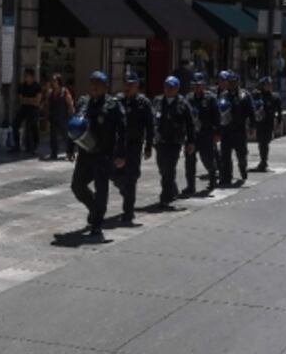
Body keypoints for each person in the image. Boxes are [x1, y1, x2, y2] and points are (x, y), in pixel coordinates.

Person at [69, 71, 126, 241]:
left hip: (104, 154)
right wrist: (70, 147)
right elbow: (74, 125)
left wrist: (121, 154)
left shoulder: (113, 105)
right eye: (91, 82)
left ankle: (97, 224)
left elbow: (122, 131)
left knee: (102, 190)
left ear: (105, 87)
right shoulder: (83, 102)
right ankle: (94, 208)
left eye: (98, 83)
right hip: (85, 153)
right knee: (77, 186)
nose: (94, 86)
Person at [112, 72, 153, 224]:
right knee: (114, 174)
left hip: (135, 145)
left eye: (132, 84)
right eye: (126, 84)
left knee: (131, 179)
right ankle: (125, 191)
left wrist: (148, 146)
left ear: (137, 86)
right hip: (118, 145)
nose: (128, 87)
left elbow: (150, 126)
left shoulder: (143, 103)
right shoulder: (118, 100)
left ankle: (128, 212)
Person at [154, 76, 196, 206]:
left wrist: (191, 142)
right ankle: (172, 189)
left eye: (171, 87)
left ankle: (165, 197)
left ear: (177, 89)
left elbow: (190, 124)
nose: (168, 90)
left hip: (174, 142)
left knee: (169, 169)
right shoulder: (158, 101)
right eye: (166, 87)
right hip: (160, 142)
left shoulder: (183, 103)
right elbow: (152, 120)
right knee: (162, 168)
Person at [184, 72, 221, 195]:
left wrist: (217, 132)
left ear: (204, 85)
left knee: (207, 159)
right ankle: (190, 186)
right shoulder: (188, 98)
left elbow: (217, 116)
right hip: (192, 135)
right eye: (195, 85)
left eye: (199, 85)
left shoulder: (210, 98)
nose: (197, 87)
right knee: (189, 161)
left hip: (206, 134)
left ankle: (212, 177)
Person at [218, 71, 255, 186]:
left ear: (238, 82)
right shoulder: (223, 95)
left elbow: (251, 111)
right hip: (226, 130)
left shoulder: (244, 95)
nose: (232, 84)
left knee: (241, 154)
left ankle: (242, 167)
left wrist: (252, 126)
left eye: (234, 82)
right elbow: (218, 112)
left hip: (240, 130)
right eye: (230, 82)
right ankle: (226, 178)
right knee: (225, 155)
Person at [253, 76, 283, 172]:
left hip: (269, 123)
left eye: (270, 84)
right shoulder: (258, 95)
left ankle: (264, 160)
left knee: (265, 142)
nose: (269, 86)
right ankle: (263, 161)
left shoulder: (275, 97)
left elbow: (279, 111)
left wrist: (278, 122)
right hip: (260, 123)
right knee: (262, 142)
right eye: (267, 85)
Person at [10, 68, 42, 155]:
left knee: (33, 126)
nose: (25, 77)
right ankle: (17, 145)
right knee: (15, 124)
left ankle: (34, 146)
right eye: (25, 76)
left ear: (32, 77)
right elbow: (21, 100)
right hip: (24, 108)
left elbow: (37, 100)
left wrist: (27, 99)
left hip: (34, 109)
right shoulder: (22, 86)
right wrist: (31, 100)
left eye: (27, 76)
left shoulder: (37, 86)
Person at [43, 74, 75, 161]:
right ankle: (54, 153)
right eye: (52, 81)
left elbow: (70, 104)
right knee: (53, 137)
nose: (53, 82)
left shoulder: (64, 92)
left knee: (66, 136)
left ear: (59, 82)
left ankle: (70, 152)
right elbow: (47, 104)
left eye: (55, 81)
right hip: (53, 117)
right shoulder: (51, 92)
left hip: (63, 117)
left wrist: (72, 115)